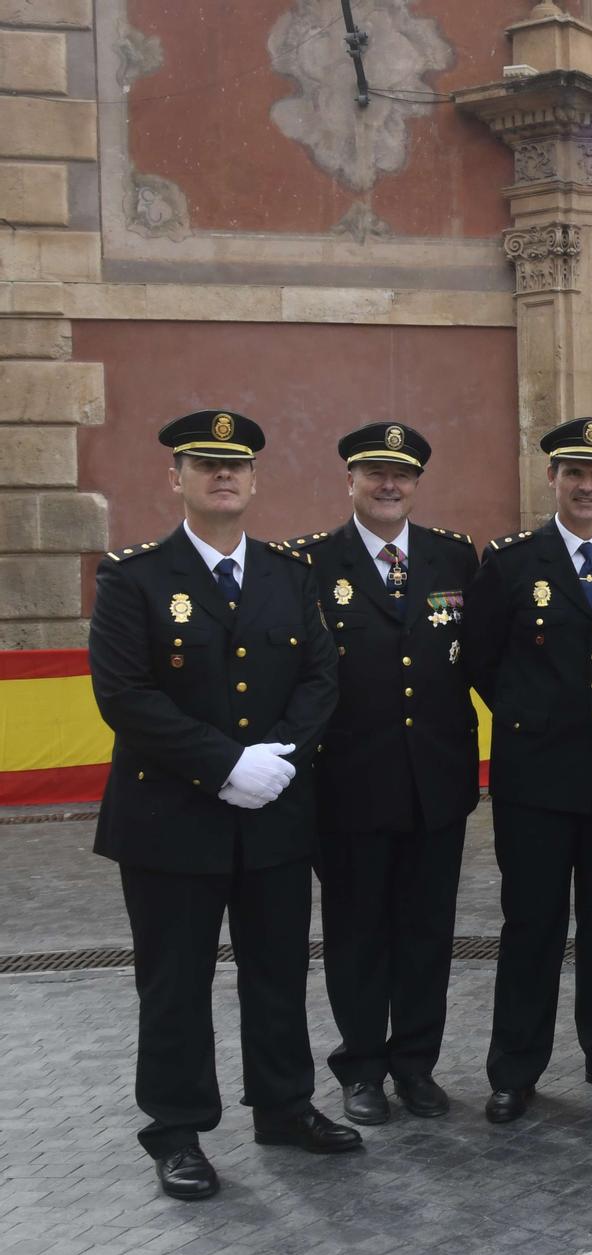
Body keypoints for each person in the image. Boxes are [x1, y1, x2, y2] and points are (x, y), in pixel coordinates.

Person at [88, 409, 354, 1201]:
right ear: (177, 477)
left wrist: (281, 758)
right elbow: (124, 695)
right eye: (205, 464)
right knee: (175, 980)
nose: (223, 474)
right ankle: (175, 1129)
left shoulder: (288, 573)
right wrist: (224, 764)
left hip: (273, 808)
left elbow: (320, 678)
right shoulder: (131, 577)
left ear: (254, 478)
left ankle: (283, 1104)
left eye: (236, 464)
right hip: (170, 819)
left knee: (278, 969)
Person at [461, 418, 592, 1124]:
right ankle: (515, 1067)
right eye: (572, 472)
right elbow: (482, 660)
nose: (585, 485)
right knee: (533, 923)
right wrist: (538, 715)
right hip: (536, 776)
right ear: (551, 478)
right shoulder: (512, 562)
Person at [288, 423, 478, 1126]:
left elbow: (483, 654)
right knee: (356, 931)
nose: (388, 485)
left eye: (400, 474)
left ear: (416, 482)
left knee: (428, 931)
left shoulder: (453, 558)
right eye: (374, 473)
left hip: (437, 781)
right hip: (348, 785)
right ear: (350, 480)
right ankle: (362, 1066)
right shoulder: (310, 562)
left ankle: (416, 1065)